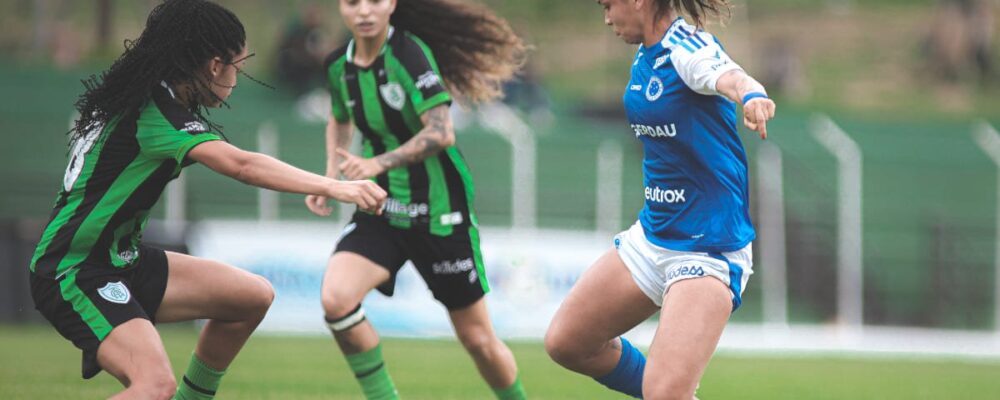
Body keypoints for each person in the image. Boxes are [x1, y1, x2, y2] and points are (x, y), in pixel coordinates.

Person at [28, 1, 386, 399]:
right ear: (215, 66)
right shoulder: (156, 112)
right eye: (238, 63)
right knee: (153, 386)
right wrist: (334, 187)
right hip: (75, 270)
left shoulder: (147, 98)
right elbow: (241, 165)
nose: (237, 75)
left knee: (251, 297)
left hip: (117, 261)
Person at [544, 1, 776, 399]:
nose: (605, 17)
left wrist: (751, 93)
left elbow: (727, 74)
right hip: (652, 239)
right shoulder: (644, 54)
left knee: (663, 392)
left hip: (707, 249)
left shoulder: (686, 47)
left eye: (607, 4)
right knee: (567, 342)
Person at [304, 0, 527, 399]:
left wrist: (376, 163)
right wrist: (330, 177)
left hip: (439, 212)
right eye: (353, 2)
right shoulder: (339, 65)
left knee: (478, 340)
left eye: (375, 0)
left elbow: (442, 132)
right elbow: (339, 117)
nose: (364, 11)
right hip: (381, 209)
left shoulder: (409, 54)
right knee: (335, 300)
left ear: (391, 4)